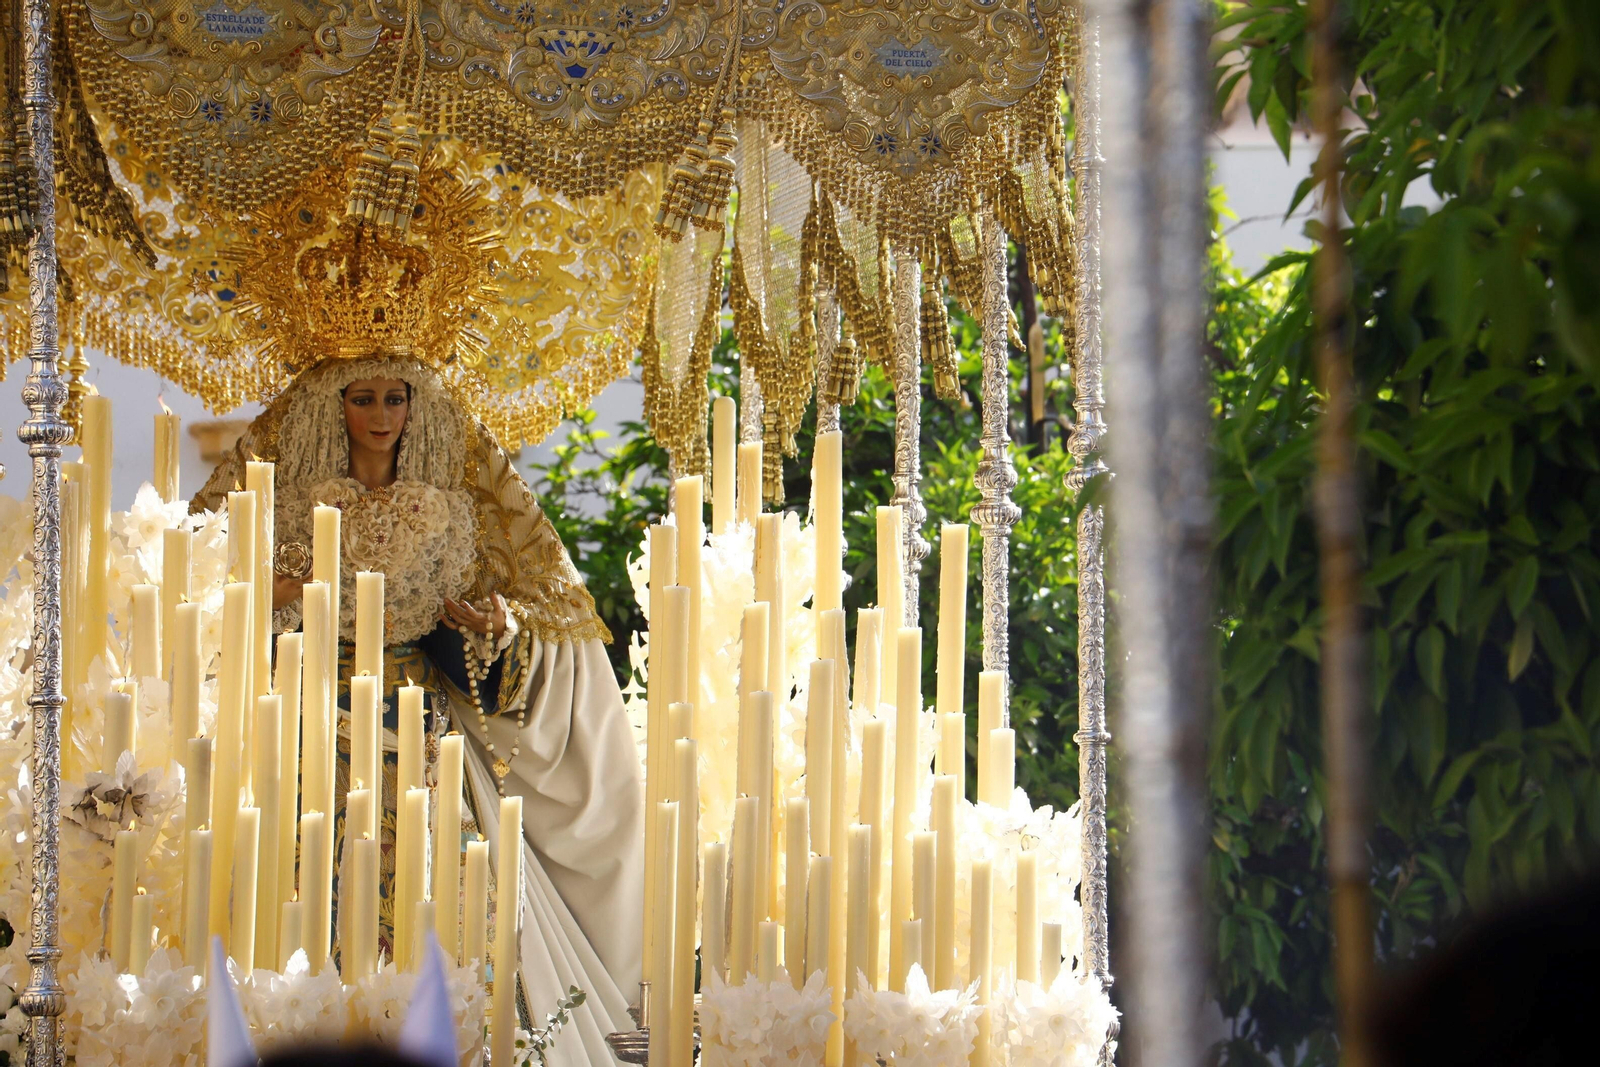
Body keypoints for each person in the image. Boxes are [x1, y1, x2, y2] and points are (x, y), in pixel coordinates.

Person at [193, 353, 643, 1063]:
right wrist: (280, 595)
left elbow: (525, 618)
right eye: (363, 398)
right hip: (312, 718)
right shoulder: (285, 506)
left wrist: (494, 627)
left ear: (415, 407)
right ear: (331, 407)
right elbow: (203, 598)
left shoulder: (448, 513)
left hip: (419, 727)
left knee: (453, 894)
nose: (380, 417)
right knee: (304, 876)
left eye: (395, 398)